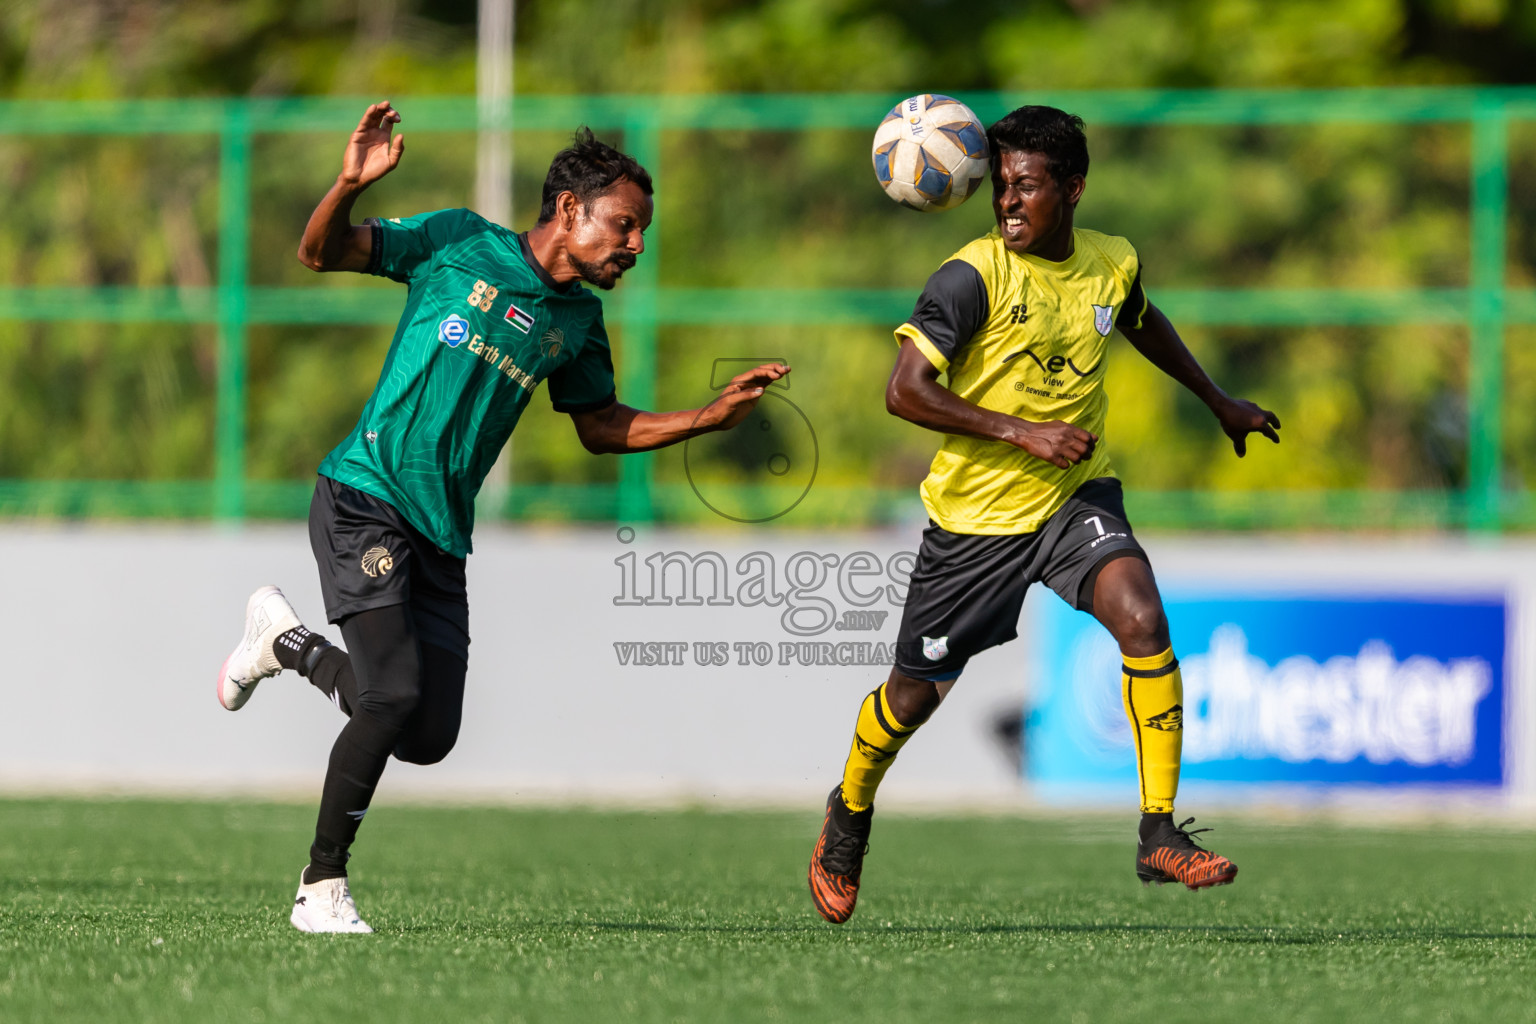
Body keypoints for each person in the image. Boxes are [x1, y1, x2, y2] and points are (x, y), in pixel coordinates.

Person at [217, 101, 788, 933]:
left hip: (442, 530)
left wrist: (704, 419)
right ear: (569, 211)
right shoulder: (457, 241)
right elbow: (319, 251)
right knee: (391, 695)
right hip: (364, 494)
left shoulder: (578, 322)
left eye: (641, 234)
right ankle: (320, 887)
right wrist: (346, 185)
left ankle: (287, 644)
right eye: (624, 228)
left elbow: (598, 425)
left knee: (425, 734)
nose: (635, 247)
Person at [807, 105, 1280, 925]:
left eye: (1025, 187)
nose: (1007, 204)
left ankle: (1158, 831)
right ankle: (848, 811)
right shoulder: (970, 276)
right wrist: (1021, 431)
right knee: (912, 700)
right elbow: (903, 393)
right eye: (1000, 188)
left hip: (1074, 496)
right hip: (976, 524)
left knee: (1142, 617)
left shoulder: (1112, 262)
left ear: (1073, 189)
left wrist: (1217, 401)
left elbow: (1141, 321)